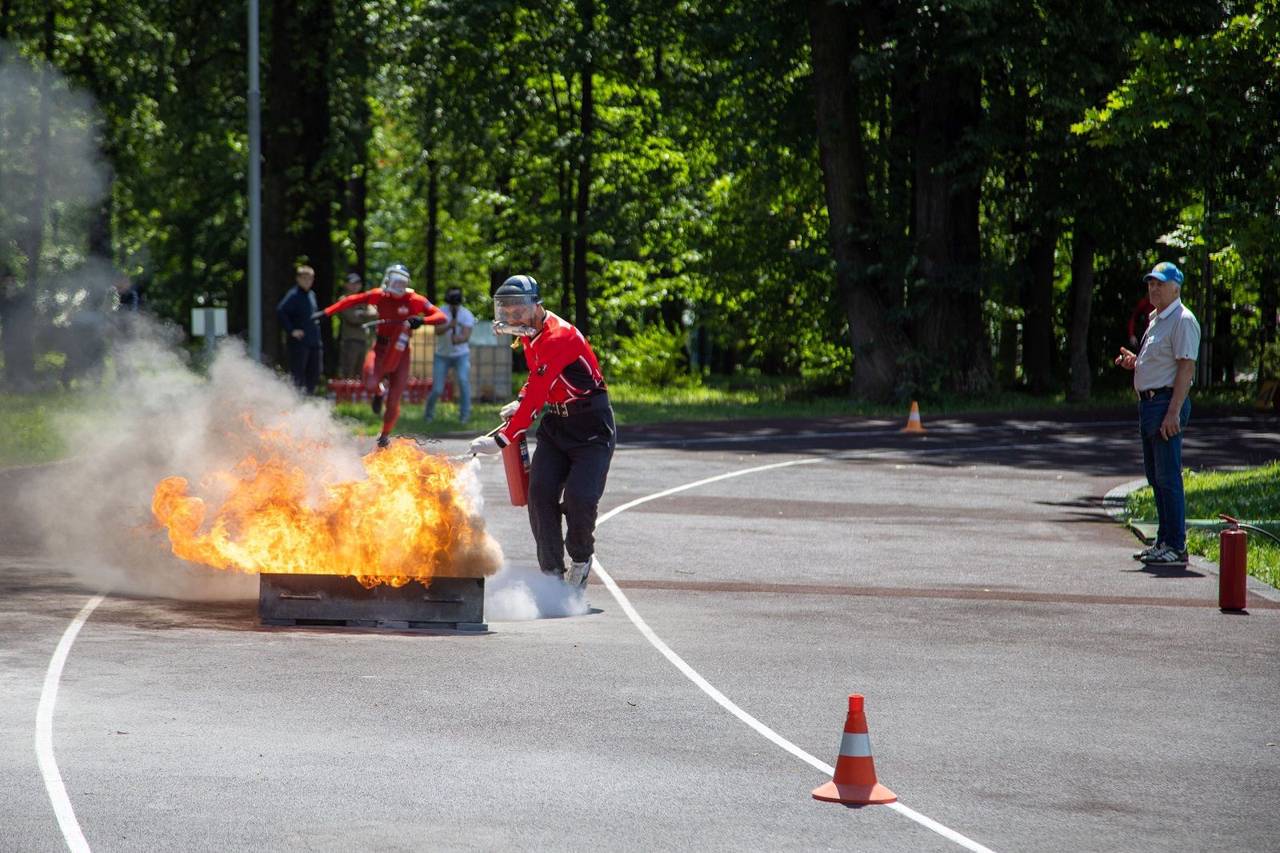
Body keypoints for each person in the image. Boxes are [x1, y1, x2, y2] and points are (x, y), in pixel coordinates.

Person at [468, 274, 615, 588]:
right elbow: (537, 380)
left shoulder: (559, 336)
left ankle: (580, 558)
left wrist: (501, 439)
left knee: (580, 498)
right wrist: (518, 400)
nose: (511, 316)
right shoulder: (528, 334)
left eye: (518, 308)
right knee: (539, 494)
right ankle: (551, 575)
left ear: (537, 304)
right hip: (557, 425)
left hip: (590, 427)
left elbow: (537, 392)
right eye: (505, 309)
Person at [1113, 261, 1200, 567]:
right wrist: (1136, 363)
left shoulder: (1182, 320)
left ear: (1176, 287)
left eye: (1160, 283)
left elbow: (1186, 369)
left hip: (1165, 405)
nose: (1153, 288)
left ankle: (1176, 544)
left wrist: (1173, 412)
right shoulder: (1158, 320)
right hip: (1151, 405)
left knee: (1168, 477)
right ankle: (1164, 541)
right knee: (1156, 477)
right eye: (1151, 283)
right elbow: (1160, 363)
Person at [320, 263, 446, 448]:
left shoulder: (415, 300)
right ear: (388, 281)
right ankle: (379, 392)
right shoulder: (380, 295)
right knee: (369, 383)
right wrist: (327, 312)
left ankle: (385, 435)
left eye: (401, 283)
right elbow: (353, 300)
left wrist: (422, 320)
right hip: (380, 348)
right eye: (394, 282)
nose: (398, 287)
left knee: (394, 399)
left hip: (402, 352)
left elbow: (441, 316)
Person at [424, 286, 476, 424]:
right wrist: (449, 325)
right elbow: (437, 331)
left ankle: (464, 416)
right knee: (437, 388)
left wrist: (457, 339)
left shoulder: (466, 314)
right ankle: (428, 415)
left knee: (463, 382)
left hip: (461, 355)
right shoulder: (440, 311)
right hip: (442, 355)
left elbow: (466, 336)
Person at [276, 265, 323, 394]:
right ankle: (296, 400)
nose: (308, 281)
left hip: (313, 340)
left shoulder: (312, 294)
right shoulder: (294, 295)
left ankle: (309, 399)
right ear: (298, 279)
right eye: (305, 278)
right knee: (298, 374)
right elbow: (281, 311)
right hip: (300, 342)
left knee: (315, 372)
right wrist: (292, 330)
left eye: (311, 278)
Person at [336, 272, 376, 378]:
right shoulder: (344, 299)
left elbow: (375, 313)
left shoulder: (362, 299)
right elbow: (352, 318)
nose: (355, 286)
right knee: (348, 371)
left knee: (360, 373)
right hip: (350, 341)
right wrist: (365, 316)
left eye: (358, 283)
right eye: (352, 283)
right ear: (346, 285)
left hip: (363, 341)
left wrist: (362, 314)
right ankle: (345, 393)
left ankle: (356, 394)